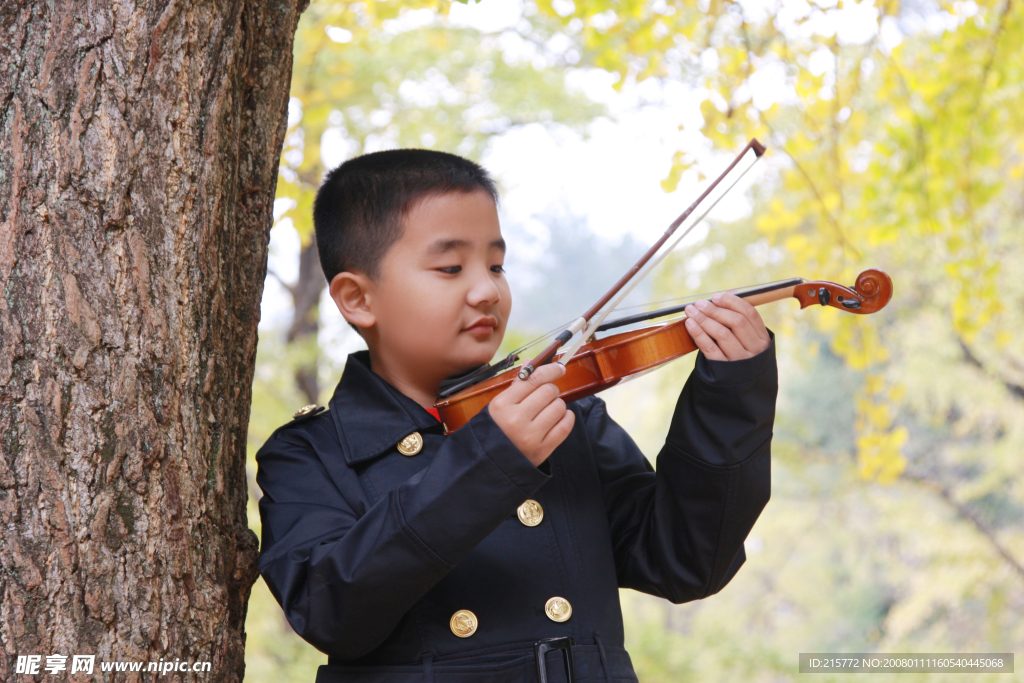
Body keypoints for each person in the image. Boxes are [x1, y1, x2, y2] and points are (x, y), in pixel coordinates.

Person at [255, 149, 777, 683]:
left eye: (496, 265)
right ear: (358, 299)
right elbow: (331, 611)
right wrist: (489, 461)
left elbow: (686, 560)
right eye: (451, 268)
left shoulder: (565, 418)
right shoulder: (309, 452)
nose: (487, 290)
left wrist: (732, 395)